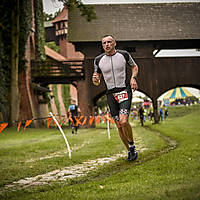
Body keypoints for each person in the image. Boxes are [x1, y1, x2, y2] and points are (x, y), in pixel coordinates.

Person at [92, 35, 139, 162]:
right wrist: (95, 80)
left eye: (109, 42)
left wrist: (133, 78)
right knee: (118, 125)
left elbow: (134, 67)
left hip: (124, 90)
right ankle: (130, 151)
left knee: (124, 121)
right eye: (104, 43)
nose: (107, 44)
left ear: (115, 43)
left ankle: (132, 145)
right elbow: (96, 80)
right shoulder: (98, 60)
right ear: (102, 46)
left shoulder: (124, 55)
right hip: (111, 94)